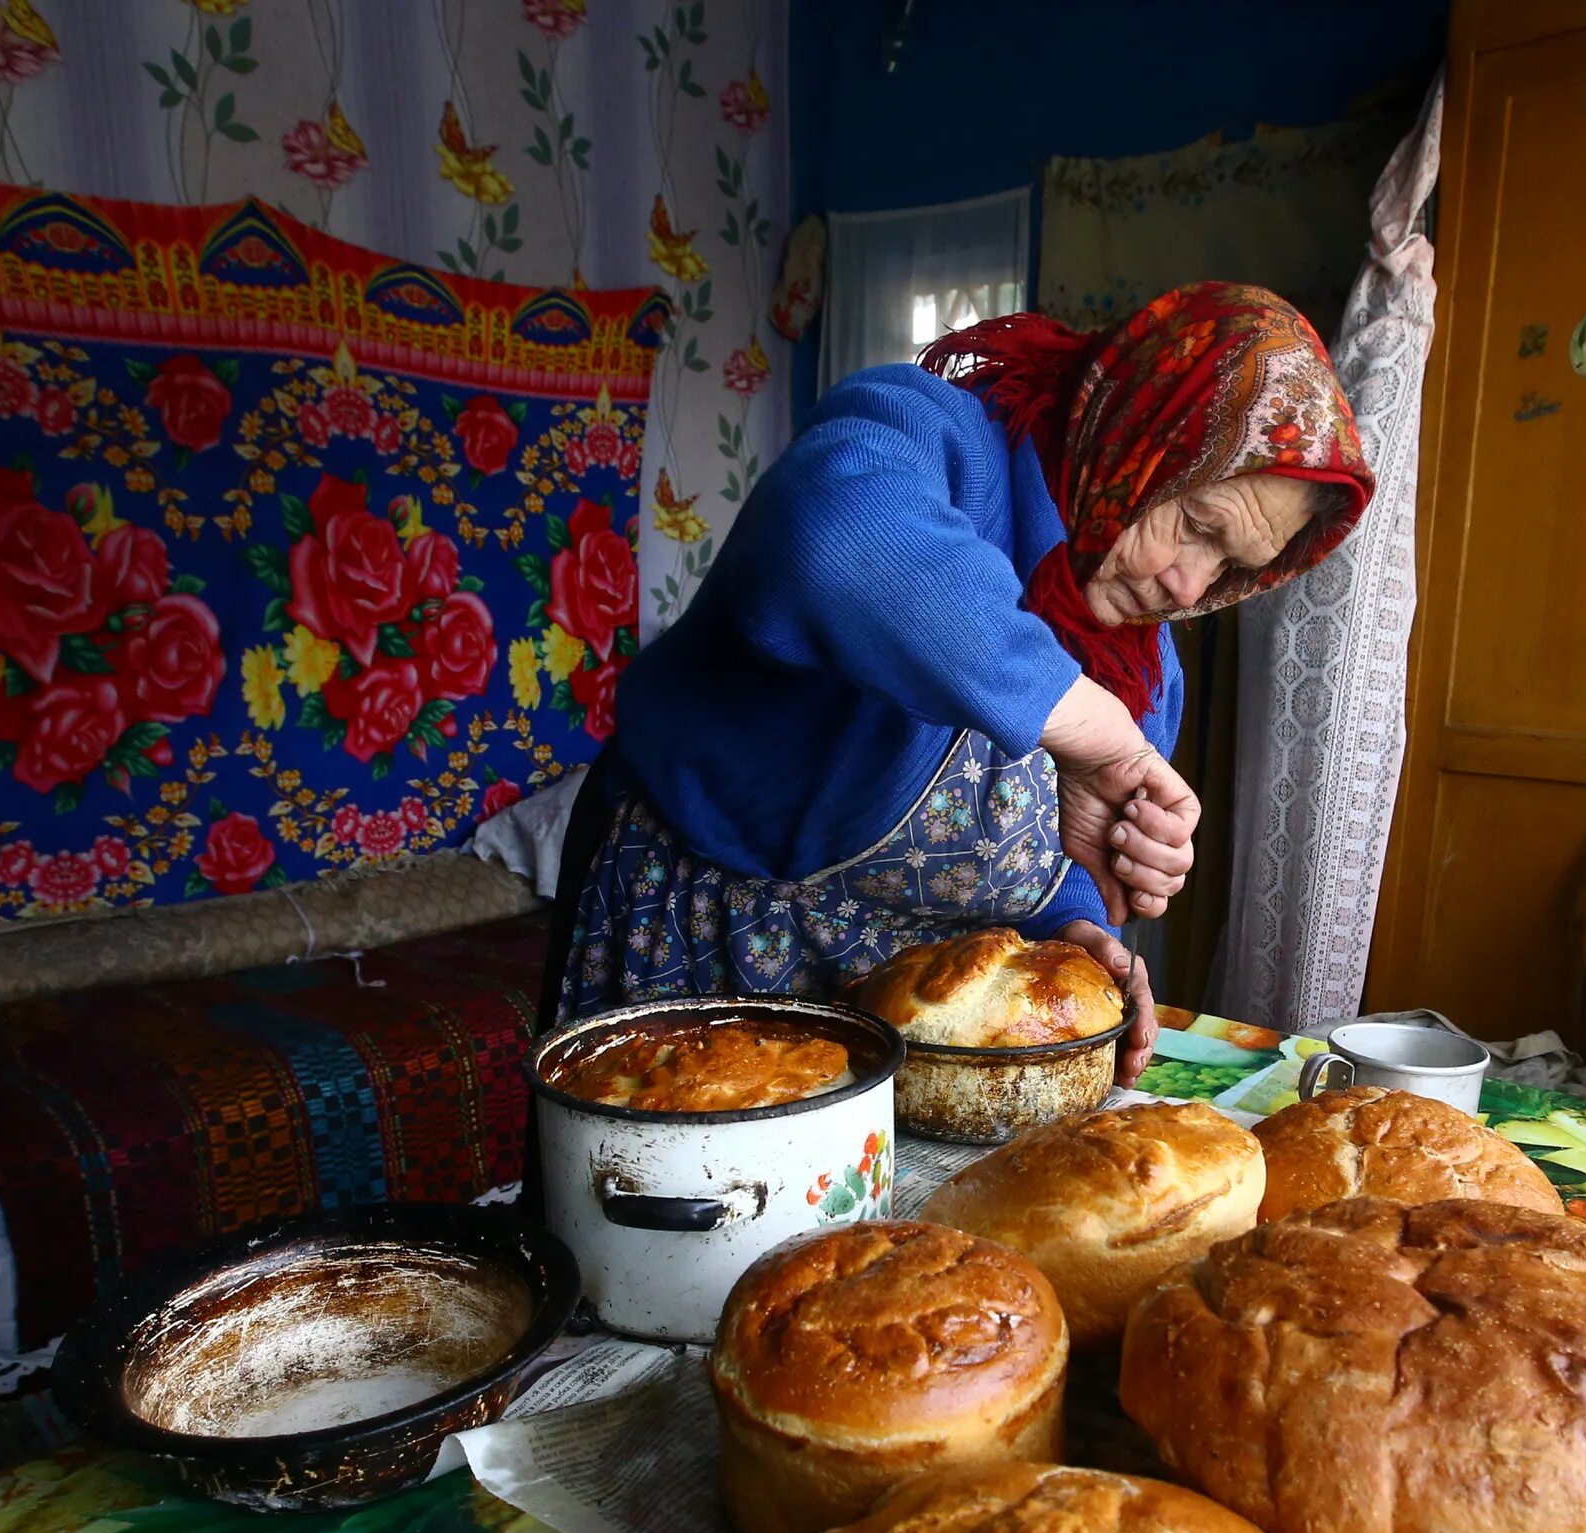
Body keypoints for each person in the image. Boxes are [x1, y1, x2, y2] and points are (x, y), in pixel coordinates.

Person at [552, 282, 1372, 1083]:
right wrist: (1078, 718)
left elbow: (1051, 874)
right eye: (1196, 526)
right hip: (695, 944)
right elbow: (832, 537)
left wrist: (1076, 929)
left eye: (1232, 565)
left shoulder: (1147, 670)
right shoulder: (938, 438)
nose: (1192, 588)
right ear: (1141, 435)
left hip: (907, 1024)